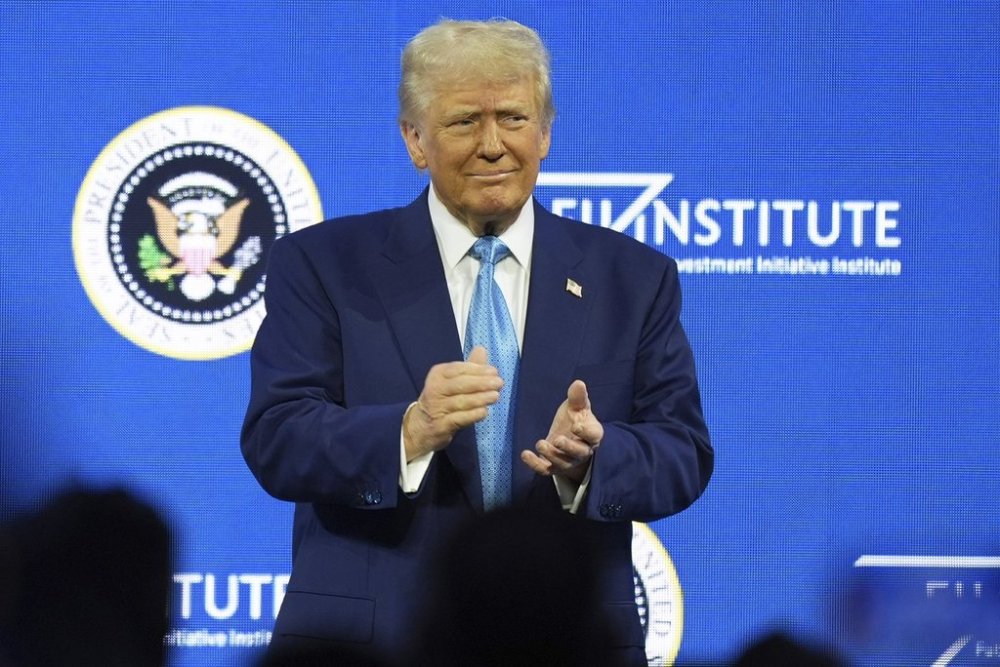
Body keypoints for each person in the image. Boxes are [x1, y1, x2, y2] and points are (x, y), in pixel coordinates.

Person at [241, 17, 712, 666]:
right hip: (374, 645)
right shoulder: (323, 265)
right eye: (465, 121)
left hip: (565, 642)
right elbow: (278, 434)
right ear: (414, 138)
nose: (493, 145)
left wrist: (594, 460)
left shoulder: (631, 278)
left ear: (545, 132)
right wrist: (408, 430)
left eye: (514, 118)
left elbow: (682, 448)